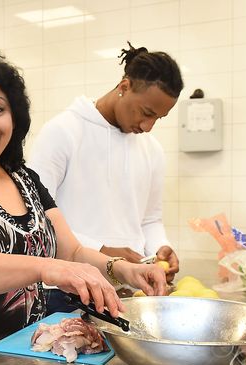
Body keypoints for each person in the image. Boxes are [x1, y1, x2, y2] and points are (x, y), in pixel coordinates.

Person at [0, 46, 168, 352]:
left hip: (20, 361)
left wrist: (123, 269)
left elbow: (71, 252)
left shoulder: (24, 179)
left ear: (14, 117)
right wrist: (45, 268)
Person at [28, 43, 182, 284]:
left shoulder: (152, 149)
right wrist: (100, 250)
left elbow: (150, 219)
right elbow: (35, 217)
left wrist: (162, 246)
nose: (147, 126)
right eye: (145, 112)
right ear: (124, 86)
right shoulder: (62, 132)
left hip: (131, 287)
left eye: (158, 118)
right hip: (67, 287)